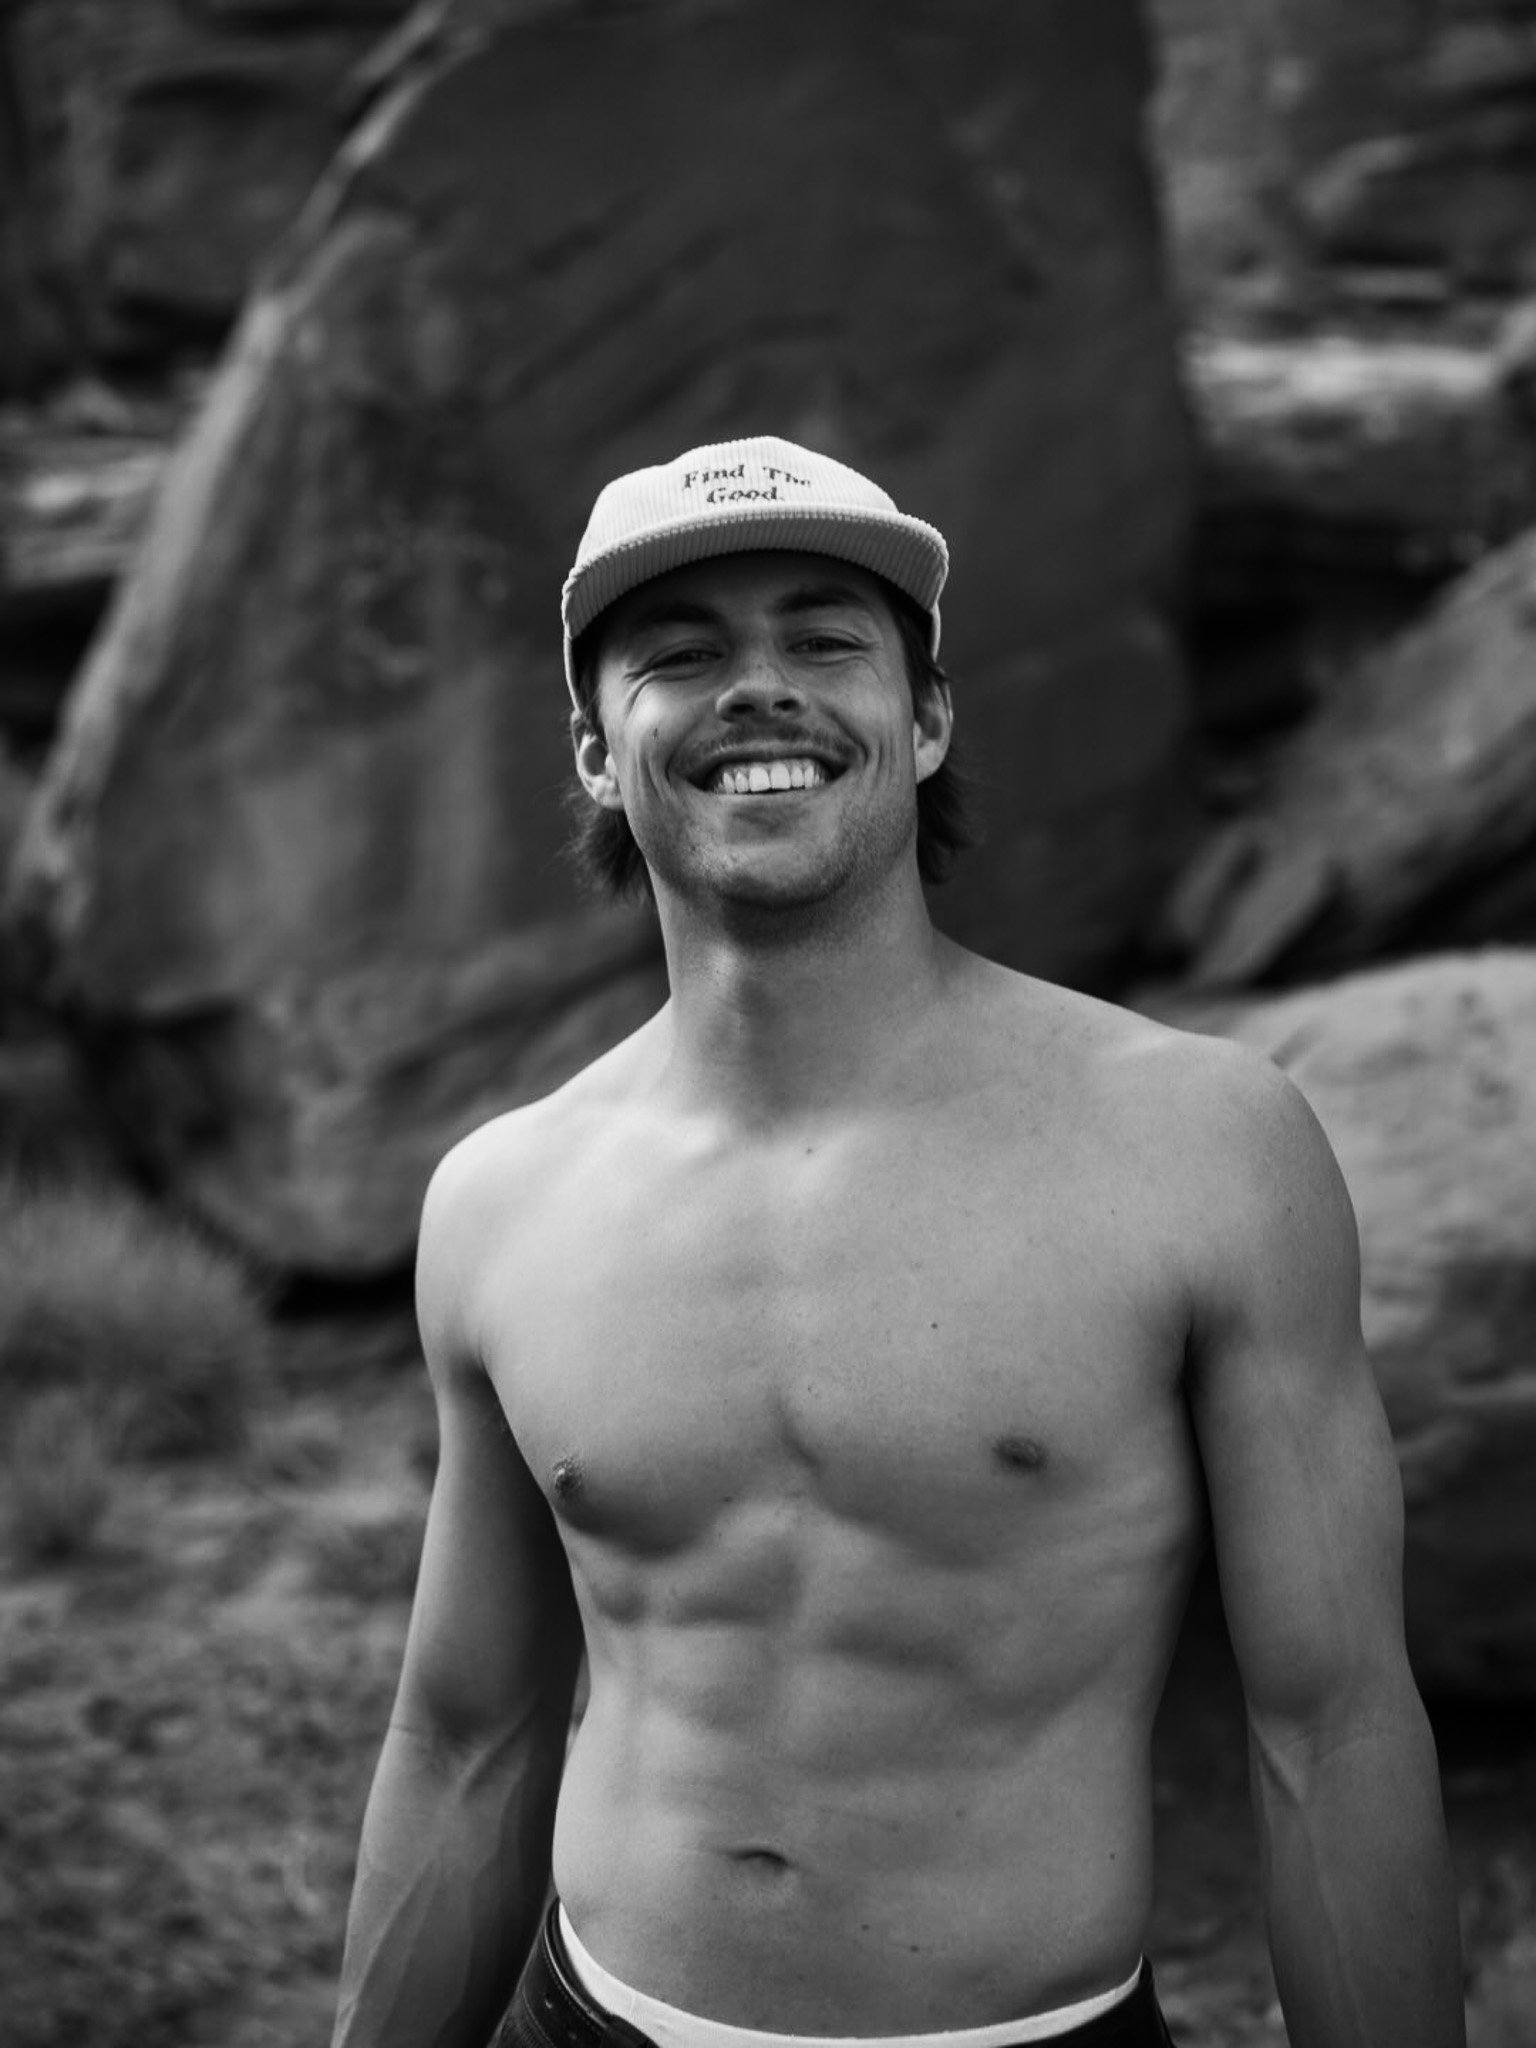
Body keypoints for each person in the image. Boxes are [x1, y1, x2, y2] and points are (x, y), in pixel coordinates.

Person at [331, 437, 1466, 2048]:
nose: (759, 690)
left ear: (924, 720)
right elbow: (466, 1736)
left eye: (823, 640)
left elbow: (1333, 1726)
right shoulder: (504, 1196)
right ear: (596, 750)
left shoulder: (1204, 1143)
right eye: (682, 654)